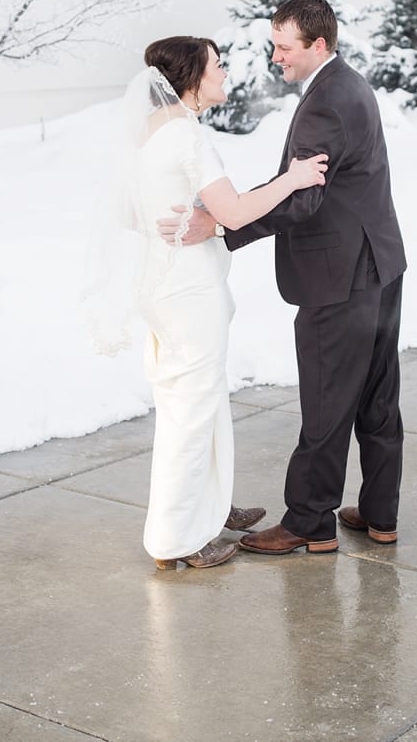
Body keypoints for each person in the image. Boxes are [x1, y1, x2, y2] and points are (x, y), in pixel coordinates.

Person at [158, 0, 409, 557]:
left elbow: (303, 200)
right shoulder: (350, 84)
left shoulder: (325, 102)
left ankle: (309, 522)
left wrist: (222, 227)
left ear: (317, 44)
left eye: (284, 47)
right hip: (380, 265)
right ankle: (379, 513)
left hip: (339, 275)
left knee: (326, 400)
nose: (276, 57)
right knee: (377, 398)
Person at [85, 36, 328, 569]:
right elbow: (236, 213)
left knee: (200, 400)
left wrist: (172, 223)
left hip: (163, 285)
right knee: (190, 412)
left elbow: (128, 211)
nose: (226, 73)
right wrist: (294, 178)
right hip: (190, 292)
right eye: (218, 65)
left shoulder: (148, 135)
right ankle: (176, 539)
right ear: (193, 76)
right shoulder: (187, 138)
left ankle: (209, 508)